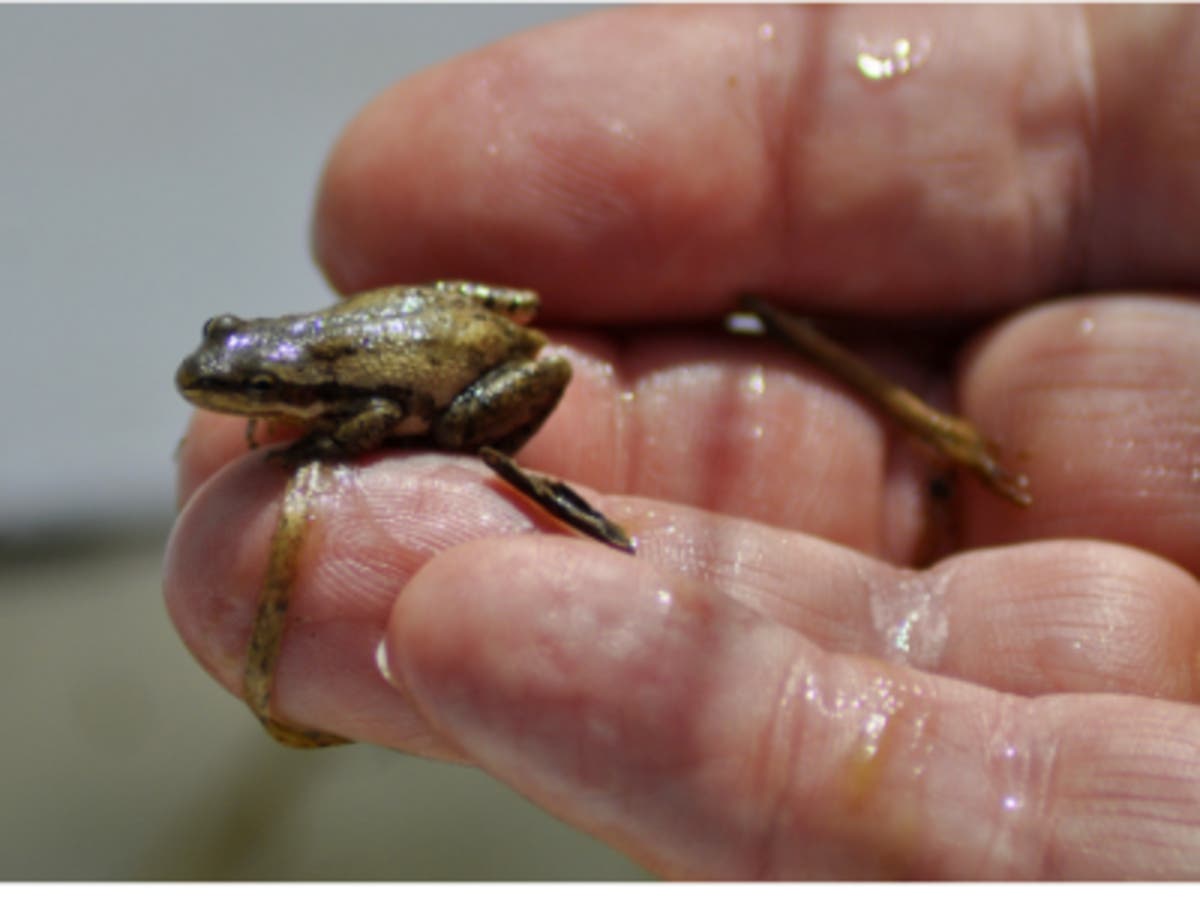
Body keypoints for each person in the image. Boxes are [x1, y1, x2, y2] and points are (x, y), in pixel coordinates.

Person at [165, 5, 1200, 878]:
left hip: (471, 371)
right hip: (456, 320)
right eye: (240, 371)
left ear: (278, 383)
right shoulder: (310, 357)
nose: (225, 387)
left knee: (431, 432)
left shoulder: (332, 390)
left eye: (246, 383)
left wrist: (324, 444)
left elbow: (376, 417)